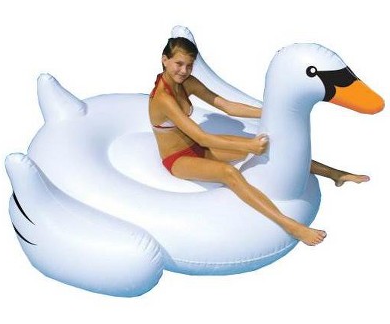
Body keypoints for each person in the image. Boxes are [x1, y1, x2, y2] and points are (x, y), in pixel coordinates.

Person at [148, 37, 369, 246]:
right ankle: (291, 226)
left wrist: (272, 112)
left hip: (198, 147)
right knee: (229, 172)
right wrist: (248, 147)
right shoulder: (163, 98)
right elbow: (201, 136)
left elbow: (227, 106)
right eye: (178, 64)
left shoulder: (187, 83)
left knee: (269, 148)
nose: (184, 70)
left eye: (189, 65)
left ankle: (335, 174)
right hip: (178, 158)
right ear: (165, 60)